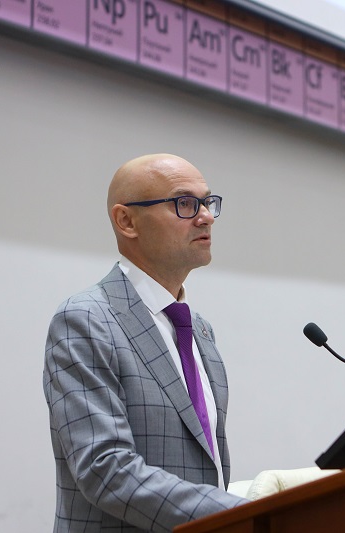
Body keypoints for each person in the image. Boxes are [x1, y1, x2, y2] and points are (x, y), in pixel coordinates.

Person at [43, 154, 248, 532]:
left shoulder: (199, 330)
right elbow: (106, 469)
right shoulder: (86, 320)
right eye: (184, 203)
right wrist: (242, 514)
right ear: (127, 221)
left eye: (207, 202)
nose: (206, 217)